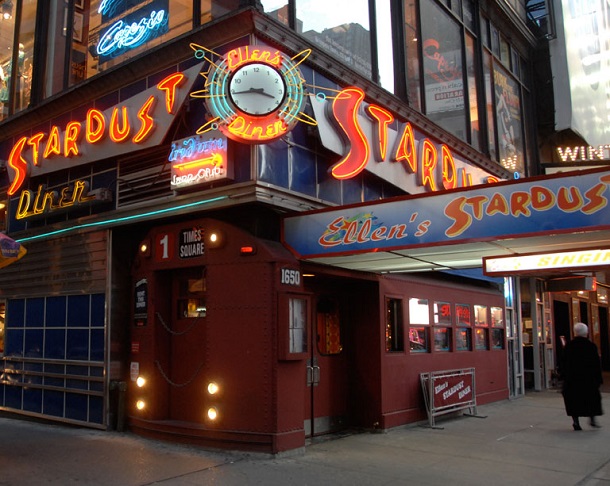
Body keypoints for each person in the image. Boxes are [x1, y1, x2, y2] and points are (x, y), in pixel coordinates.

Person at [561, 322, 603, 430]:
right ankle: (592, 419)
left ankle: (576, 422)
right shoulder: (591, 346)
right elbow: (596, 364)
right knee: (592, 399)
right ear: (586, 333)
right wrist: (598, 379)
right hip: (589, 379)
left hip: (572, 379)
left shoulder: (569, 346)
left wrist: (563, 376)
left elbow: (563, 363)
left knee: (573, 400)